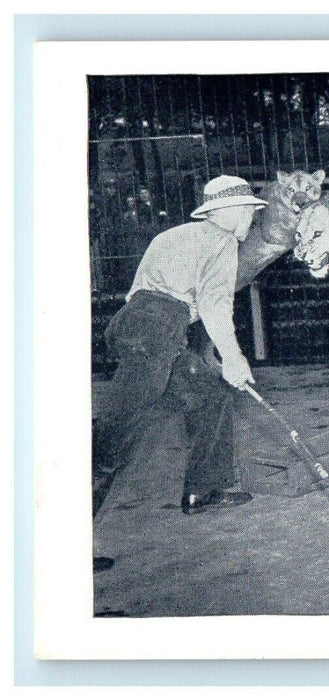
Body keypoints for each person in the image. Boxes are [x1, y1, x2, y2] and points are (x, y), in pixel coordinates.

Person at [93, 175, 268, 573]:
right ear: (223, 212)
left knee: (209, 396)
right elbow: (214, 307)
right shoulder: (223, 243)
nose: (251, 217)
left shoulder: (171, 236)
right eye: (246, 209)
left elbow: (137, 294)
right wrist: (235, 358)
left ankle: (204, 489)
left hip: (137, 325)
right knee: (115, 435)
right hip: (158, 331)